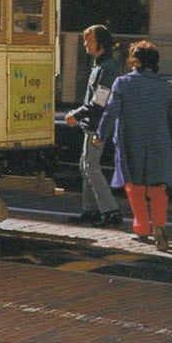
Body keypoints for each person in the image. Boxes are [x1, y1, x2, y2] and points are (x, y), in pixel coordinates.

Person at [95, 40, 172, 251]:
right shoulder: (166, 88)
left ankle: (142, 226)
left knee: (134, 186)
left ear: (134, 61)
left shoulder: (122, 83)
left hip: (131, 142)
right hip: (160, 143)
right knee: (158, 188)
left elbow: (110, 112)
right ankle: (160, 226)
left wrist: (100, 135)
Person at [64, 24, 123, 227]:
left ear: (101, 43)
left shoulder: (106, 68)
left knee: (90, 166)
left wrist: (77, 115)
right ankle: (91, 210)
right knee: (86, 166)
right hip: (94, 124)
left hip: (97, 125)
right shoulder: (101, 66)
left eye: (89, 40)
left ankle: (110, 210)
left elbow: (99, 101)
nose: (85, 44)